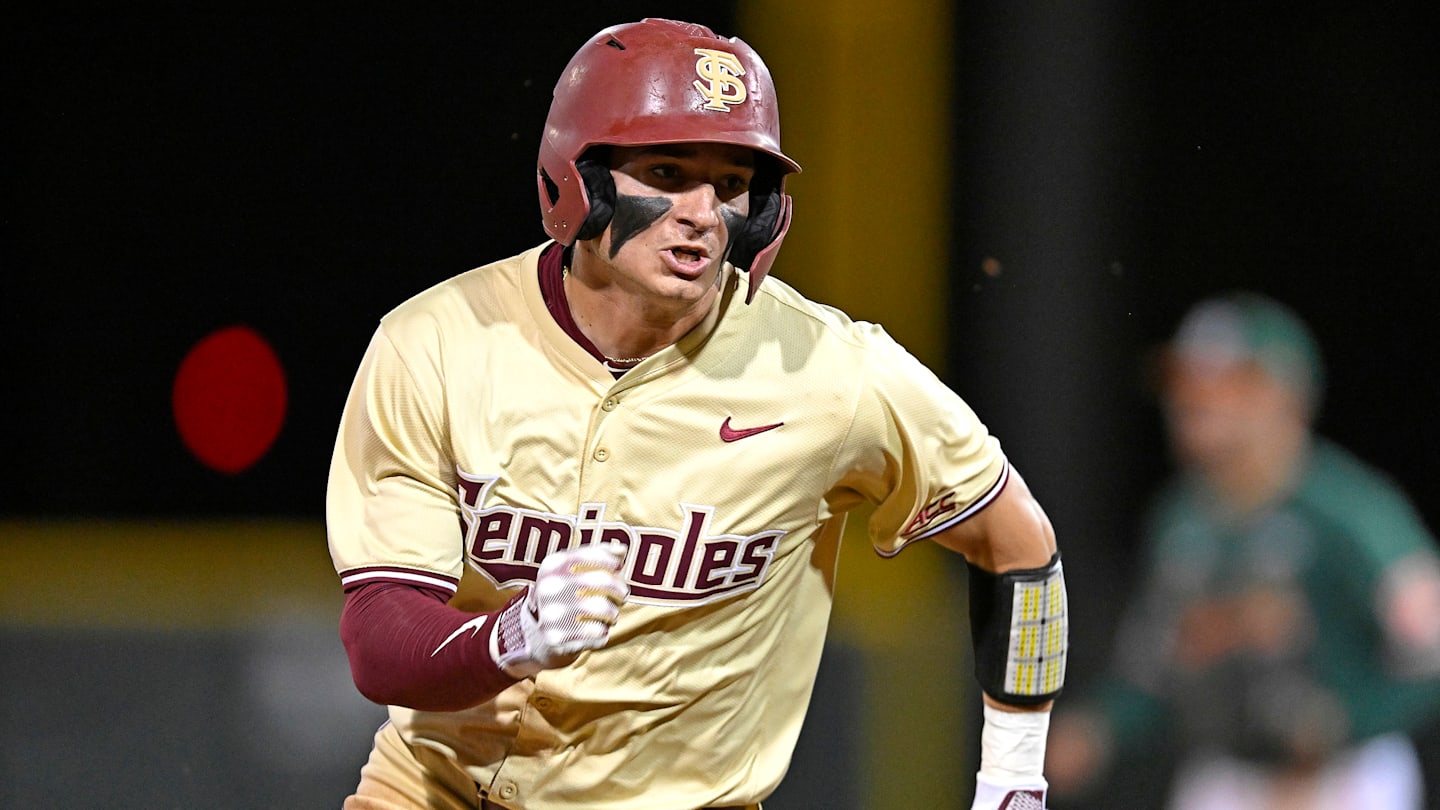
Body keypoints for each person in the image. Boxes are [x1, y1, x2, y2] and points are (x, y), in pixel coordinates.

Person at [326, 17, 1068, 810]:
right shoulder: (436, 342)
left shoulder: (831, 372)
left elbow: (1019, 544)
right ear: (580, 180)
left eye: (730, 182)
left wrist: (1016, 775)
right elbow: (381, 640)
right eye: (669, 171)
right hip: (433, 790)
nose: (703, 212)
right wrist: (507, 639)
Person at [1045, 292, 1440, 810]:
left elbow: (1429, 656)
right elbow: (1156, 667)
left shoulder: (1352, 515)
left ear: (1285, 394)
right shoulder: (1179, 520)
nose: (1193, 399)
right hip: (1226, 777)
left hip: (1346, 780)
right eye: (1186, 382)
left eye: (1224, 383)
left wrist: (1344, 724)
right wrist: (1101, 728)